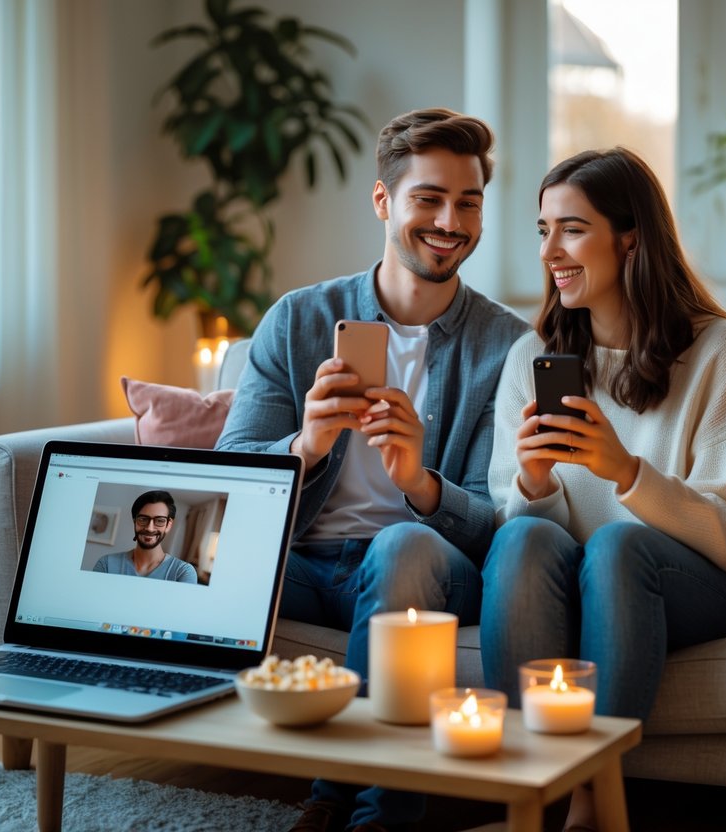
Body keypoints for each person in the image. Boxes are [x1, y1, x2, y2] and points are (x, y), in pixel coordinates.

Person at [215, 107, 529, 832]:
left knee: (399, 544)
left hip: (417, 568)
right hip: (301, 565)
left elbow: (495, 525)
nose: (450, 220)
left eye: (468, 201)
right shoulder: (298, 320)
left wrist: (419, 480)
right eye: (429, 198)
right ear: (384, 201)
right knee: (179, 563)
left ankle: (360, 808)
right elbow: (228, 487)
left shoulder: (506, 348)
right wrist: (306, 447)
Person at [481, 147, 726, 832]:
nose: (549, 250)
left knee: (619, 546)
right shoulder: (533, 356)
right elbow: (515, 524)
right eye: (541, 229)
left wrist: (626, 472)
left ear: (630, 239)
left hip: (707, 579)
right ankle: (526, 794)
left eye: (571, 228)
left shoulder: (722, 351)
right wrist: (531, 484)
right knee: (525, 536)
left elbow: (725, 525)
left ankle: (592, 802)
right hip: (588, 570)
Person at [93, 490, 197, 583]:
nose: (150, 528)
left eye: (159, 520)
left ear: (168, 525)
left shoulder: (182, 572)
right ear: (135, 521)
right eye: (143, 519)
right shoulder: (106, 564)